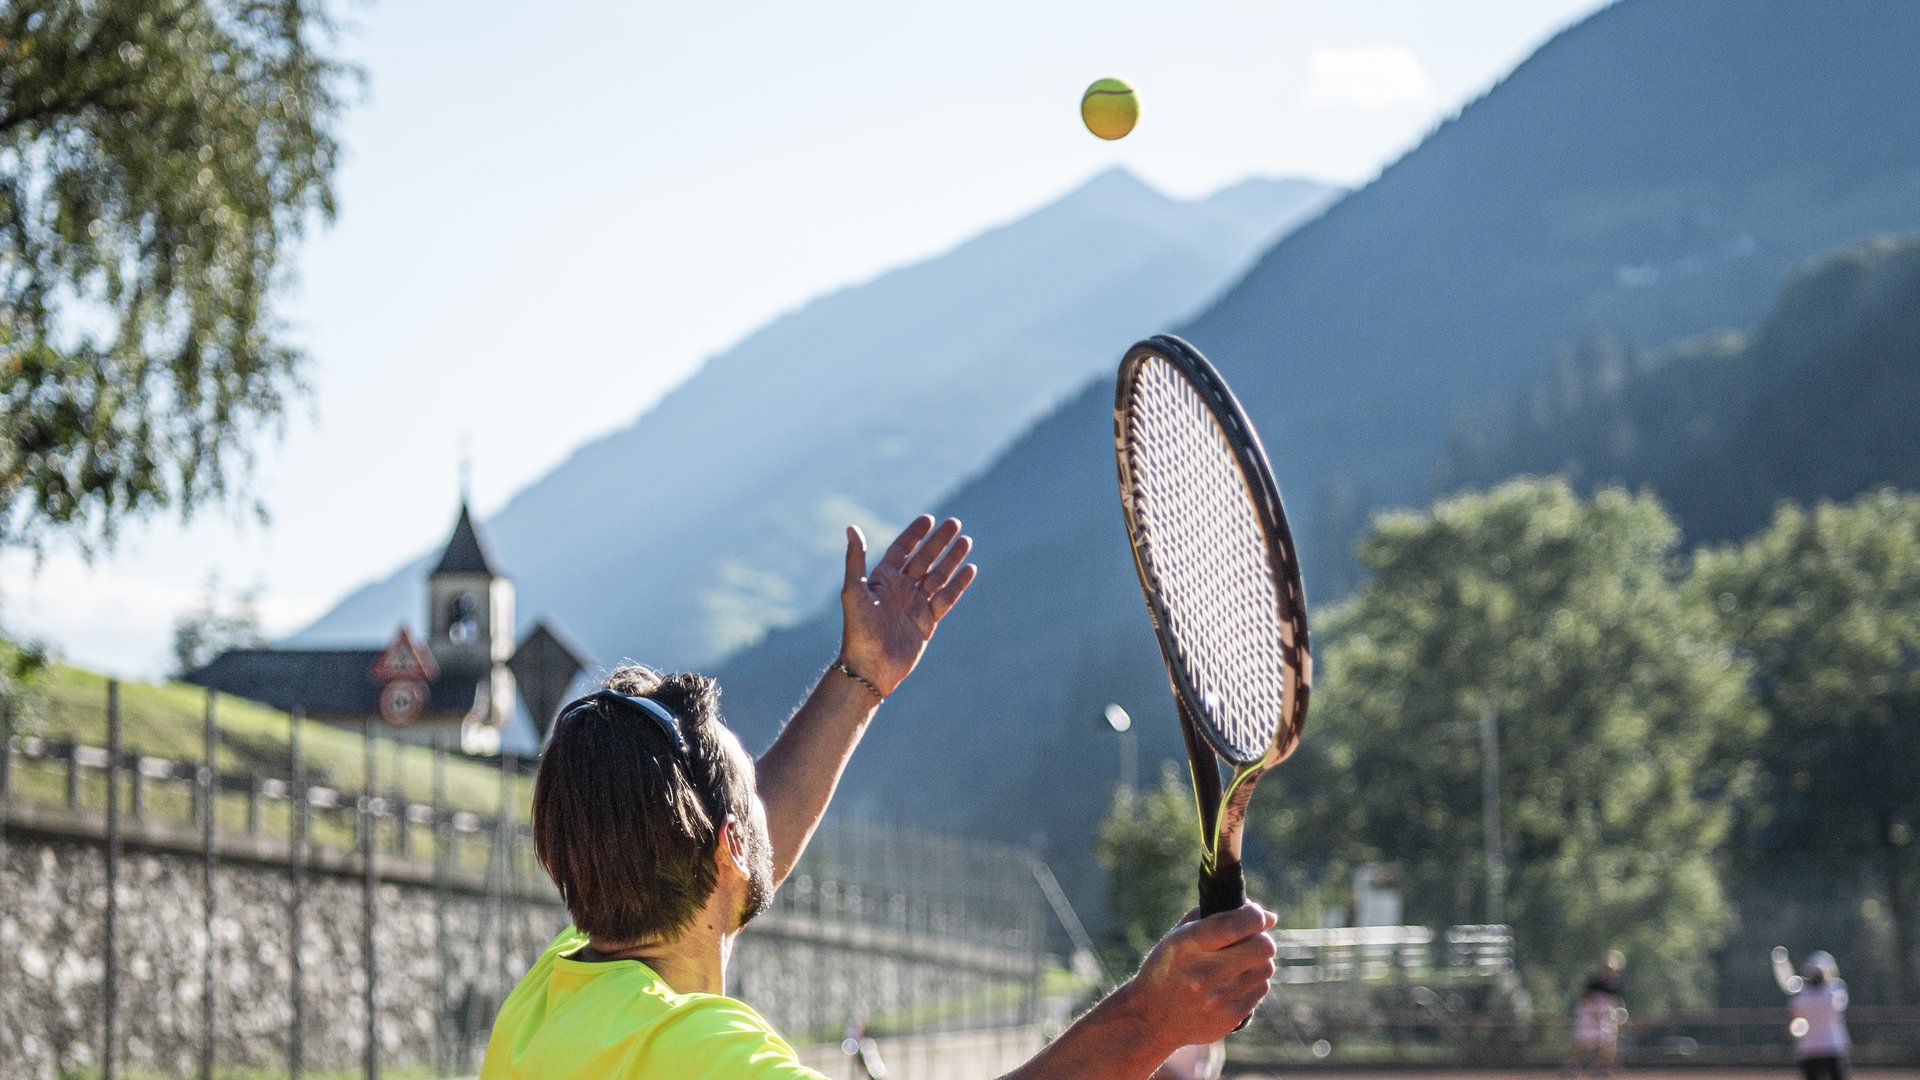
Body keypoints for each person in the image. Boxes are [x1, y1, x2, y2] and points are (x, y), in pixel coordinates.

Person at [478, 516, 1279, 1080]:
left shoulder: (552, 1002)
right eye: (747, 786)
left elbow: (745, 851)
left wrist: (859, 681)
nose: (766, 801)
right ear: (727, 846)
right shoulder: (697, 1053)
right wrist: (1152, 1018)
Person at [1563, 951, 1626, 1077]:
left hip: (1604, 1017)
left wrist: (1612, 1015)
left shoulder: (1614, 986)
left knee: (1608, 1043)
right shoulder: (1593, 982)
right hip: (1588, 1016)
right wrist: (1594, 1013)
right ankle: (1571, 1066)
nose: (1610, 972)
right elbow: (1585, 1000)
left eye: (1613, 970)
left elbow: (1614, 1003)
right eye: (1608, 969)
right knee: (1582, 1041)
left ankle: (1597, 1068)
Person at [1789, 951, 1850, 1080]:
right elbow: (1840, 1003)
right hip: (1833, 1047)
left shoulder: (1800, 997)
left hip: (1808, 1049)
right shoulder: (1835, 991)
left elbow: (1795, 1018)